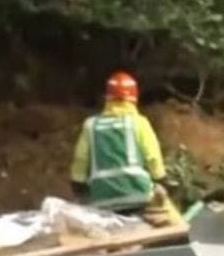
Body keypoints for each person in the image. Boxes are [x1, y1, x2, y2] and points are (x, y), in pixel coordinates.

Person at [70, 70, 174, 220]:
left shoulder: (90, 125)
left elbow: (81, 158)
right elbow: (152, 156)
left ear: (107, 98)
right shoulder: (139, 123)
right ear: (133, 99)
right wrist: (161, 179)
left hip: (102, 199)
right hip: (138, 195)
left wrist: (78, 184)